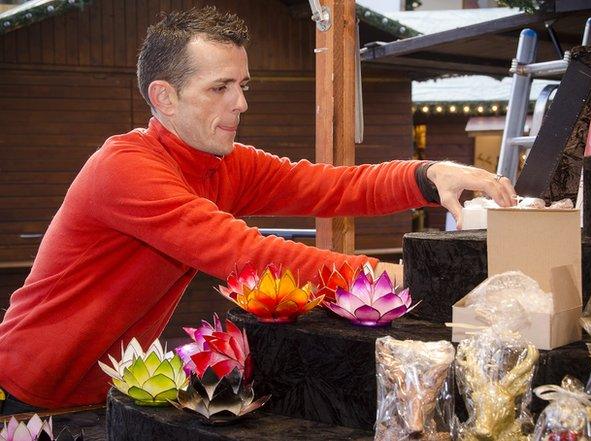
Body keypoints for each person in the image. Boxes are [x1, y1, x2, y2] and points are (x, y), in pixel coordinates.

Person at [0, 6, 516, 412]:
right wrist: (392, 280)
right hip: (25, 385)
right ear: (165, 97)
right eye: (219, 88)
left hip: (104, 387)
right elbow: (245, 254)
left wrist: (426, 176)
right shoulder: (126, 167)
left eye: (242, 86)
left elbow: (328, 186)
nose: (241, 103)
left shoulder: (220, 162)